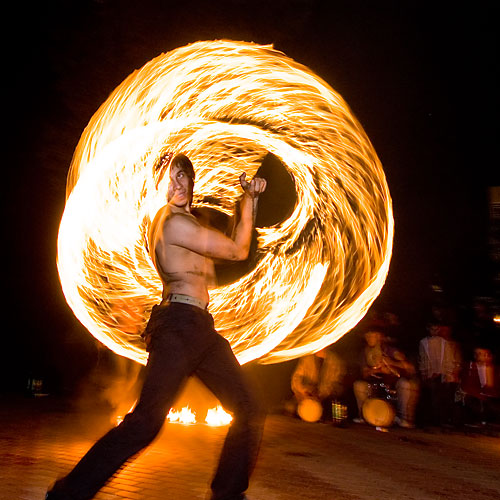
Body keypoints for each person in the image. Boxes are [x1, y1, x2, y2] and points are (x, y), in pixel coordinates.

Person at [46, 153, 267, 500]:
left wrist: (248, 200)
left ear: (191, 181)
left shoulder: (187, 224)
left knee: (249, 407)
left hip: (199, 327)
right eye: (168, 178)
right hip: (178, 327)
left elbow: (230, 250)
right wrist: (249, 201)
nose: (176, 184)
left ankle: (227, 494)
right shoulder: (173, 223)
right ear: (158, 187)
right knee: (146, 423)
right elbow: (238, 251)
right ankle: (67, 494)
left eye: (182, 176)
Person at [353, 330, 419, 428]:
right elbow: (364, 373)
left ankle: (403, 418)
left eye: (372, 335)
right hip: (373, 383)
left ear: (379, 337)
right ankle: (364, 415)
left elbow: (407, 366)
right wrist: (378, 370)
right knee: (359, 386)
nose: (369, 338)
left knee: (405, 385)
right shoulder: (364, 353)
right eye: (367, 336)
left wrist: (392, 363)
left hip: (391, 383)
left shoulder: (389, 350)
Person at [418, 323, 462, 426]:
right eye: (432, 329)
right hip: (430, 375)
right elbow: (422, 358)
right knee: (430, 397)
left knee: (441, 397)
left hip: (441, 374)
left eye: (436, 329)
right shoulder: (424, 342)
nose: (434, 332)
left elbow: (448, 359)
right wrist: (425, 372)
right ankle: (430, 420)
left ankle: (441, 420)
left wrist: (447, 372)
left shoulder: (444, 343)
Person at [291, 347, 346, 421]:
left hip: (325, 397)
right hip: (305, 395)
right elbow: (297, 377)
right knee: (291, 408)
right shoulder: (307, 359)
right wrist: (304, 390)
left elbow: (334, 383)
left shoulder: (335, 361)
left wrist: (320, 394)